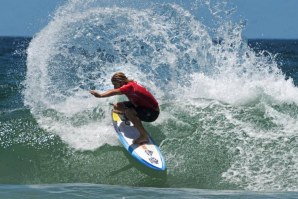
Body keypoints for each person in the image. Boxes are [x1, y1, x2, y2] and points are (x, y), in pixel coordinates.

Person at [90, 72, 160, 145]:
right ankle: (132, 118)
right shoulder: (131, 83)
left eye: (115, 84)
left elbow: (114, 92)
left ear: (121, 82)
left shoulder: (129, 87)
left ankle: (143, 135)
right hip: (142, 106)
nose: (114, 87)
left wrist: (100, 95)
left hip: (152, 113)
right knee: (118, 106)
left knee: (129, 112)